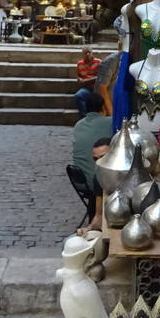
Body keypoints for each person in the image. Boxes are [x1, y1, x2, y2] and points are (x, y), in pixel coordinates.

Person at [71, 91, 111, 232]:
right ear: (103, 108)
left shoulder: (78, 125)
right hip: (96, 182)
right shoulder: (110, 122)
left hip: (81, 181)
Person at [74, 48, 102, 117]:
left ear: (92, 53)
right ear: (82, 55)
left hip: (98, 88)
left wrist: (87, 80)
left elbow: (101, 77)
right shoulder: (79, 64)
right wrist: (80, 79)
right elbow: (78, 76)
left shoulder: (98, 62)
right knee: (78, 96)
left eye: (89, 52)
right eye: (85, 53)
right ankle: (84, 118)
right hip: (87, 88)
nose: (87, 54)